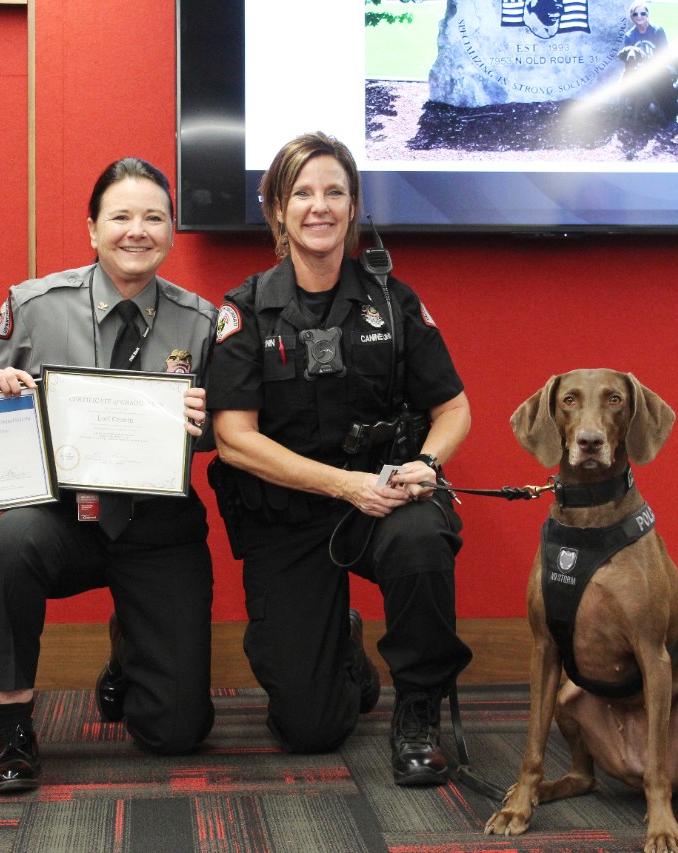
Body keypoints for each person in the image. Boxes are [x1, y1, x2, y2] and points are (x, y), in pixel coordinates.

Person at [206, 132, 473, 787]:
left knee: (422, 537)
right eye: (302, 193)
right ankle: (345, 651)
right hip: (291, 512)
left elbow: (454, 408)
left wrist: (428, 461)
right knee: (308, 728)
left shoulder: (394, 303)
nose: (319, 206)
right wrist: (343, 484)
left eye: (334, 192)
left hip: (383, 502)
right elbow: (234, 437)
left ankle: (417, 714)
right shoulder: (245, 310)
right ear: (277, 209)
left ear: (353, 207)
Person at [0, 157, 218, 794]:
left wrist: (204, 421)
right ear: (92, 229)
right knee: (5, 546)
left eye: (154, 217)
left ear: (172, 231)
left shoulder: (203, 322)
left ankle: (129, 651)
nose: (137, 230)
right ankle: (14, 729)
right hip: (61, 513)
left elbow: (231, 429)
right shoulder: (35, 304)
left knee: (176, 733)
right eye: (120, 216)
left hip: (157, 524)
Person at [621, 2, 678, 122]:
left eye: (642, 13)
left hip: (658, 68)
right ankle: (634, 117)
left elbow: (663, 53)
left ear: (647, 14)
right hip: (639, 70)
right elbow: (629, 58)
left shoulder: (657, 30)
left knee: (662, 86)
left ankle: (671, 117)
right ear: (631, 16)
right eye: (635, 14)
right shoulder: (629, 36)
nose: (639, 16)